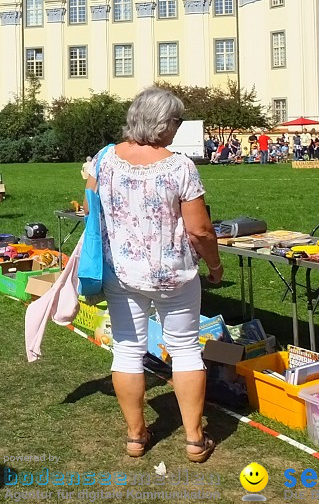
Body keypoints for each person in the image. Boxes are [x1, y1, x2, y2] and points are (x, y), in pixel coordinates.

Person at [88, 87, 222, 463]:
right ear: (164, 123)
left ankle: (135, 436)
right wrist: (214, 265)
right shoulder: (179, 166)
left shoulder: (105, 159)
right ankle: (195, 439)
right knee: (184, 350)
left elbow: (90, 206)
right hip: (173, 273)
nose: (177, 129)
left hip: (123, 272)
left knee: (128, 351)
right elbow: (200, 230)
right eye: (176, 122)